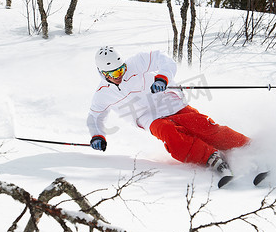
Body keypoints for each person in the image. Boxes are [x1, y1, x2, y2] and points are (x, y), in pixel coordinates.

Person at [87, 46, 250, 177]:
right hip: (146, 116)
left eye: (121, 69)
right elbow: (95, 117)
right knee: (169, 132)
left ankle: (246, 146)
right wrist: (97, 135)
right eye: (114, 73)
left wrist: (162, 78)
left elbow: (163, 59)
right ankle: (210, 157)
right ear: (102, 73)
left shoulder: (136, 63)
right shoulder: (103, 93)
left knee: (202, 126)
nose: (119, 75)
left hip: (166, 99)